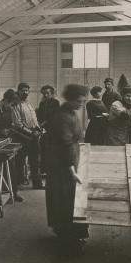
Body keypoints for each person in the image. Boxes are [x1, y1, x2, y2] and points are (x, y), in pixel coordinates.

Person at [41, 84, 89, 253]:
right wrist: (73, 172)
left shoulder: (71, 113)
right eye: (78, 101)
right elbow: (65, 145)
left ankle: (73, 234)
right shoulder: (61, 117)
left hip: (71, 160)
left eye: (83, 101)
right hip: (62, 166)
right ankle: (67, 239)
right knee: (63, 199)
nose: (81, 104)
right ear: (69, 99)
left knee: (70, 199)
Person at [11, 82, 43, 190]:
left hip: (34, 135)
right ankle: (19, 183)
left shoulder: (29, 104)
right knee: (20, 161)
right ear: (18, 91)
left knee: (36, 161)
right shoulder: (15, 105)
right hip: (22, 136)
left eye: (26, 91)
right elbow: (17, 124)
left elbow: (34, 119)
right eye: (22, 90)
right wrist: (30, 132)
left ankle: (37, 184)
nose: (25, 93)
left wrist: (38, 128)